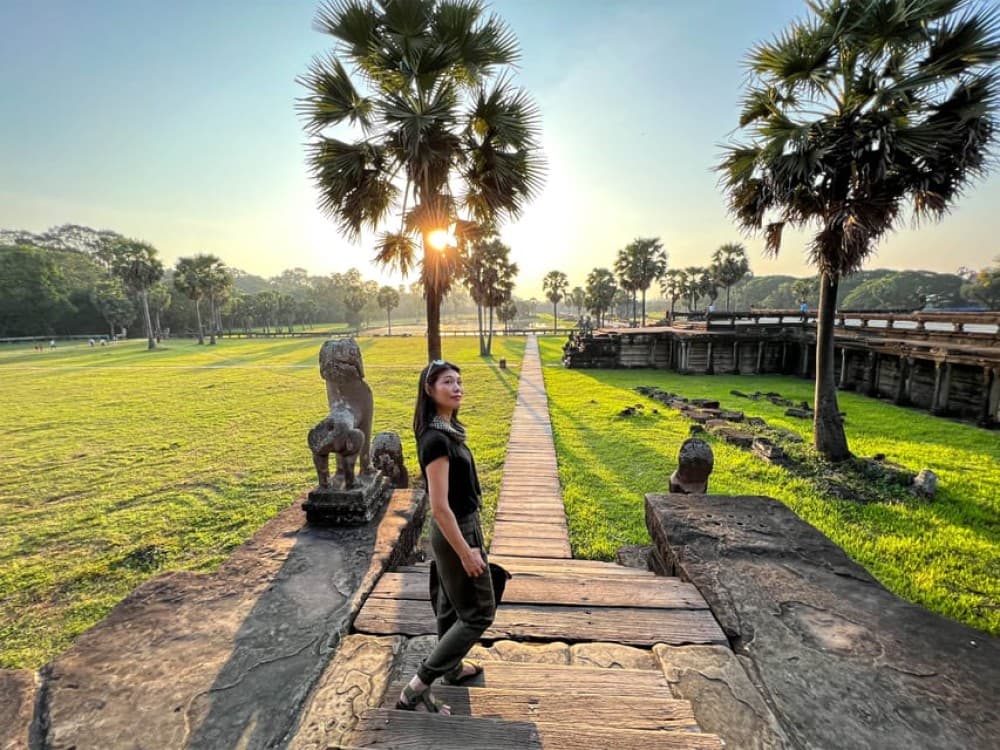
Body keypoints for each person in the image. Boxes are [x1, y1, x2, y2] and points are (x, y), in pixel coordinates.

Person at [397, 359, 495, 714]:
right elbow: (439, 506)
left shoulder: (447, 430)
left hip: (461, 524)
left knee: (450, 605)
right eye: (447, 382)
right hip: (456, 528)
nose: (457, 388)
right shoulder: (437, 440)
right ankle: (416, 688)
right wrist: (467, 551)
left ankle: (452, 669)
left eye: (458, 381)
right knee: (480, 612)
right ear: (429, 390)